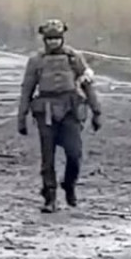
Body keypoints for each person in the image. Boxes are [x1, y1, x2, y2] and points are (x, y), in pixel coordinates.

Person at [17, 19, 102, 212]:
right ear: (44, 39)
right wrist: (21, 117)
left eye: (57, 38)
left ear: (62, 38)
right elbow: (27, 89)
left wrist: (97, 112)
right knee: (48, 157)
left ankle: (69, 184)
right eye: (49, 39)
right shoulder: (36, 61)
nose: (53, 42)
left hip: (70, 111)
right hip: (45, 112)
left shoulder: (74, 57)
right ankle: (50, 196)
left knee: (74, 154)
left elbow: (88, 85)